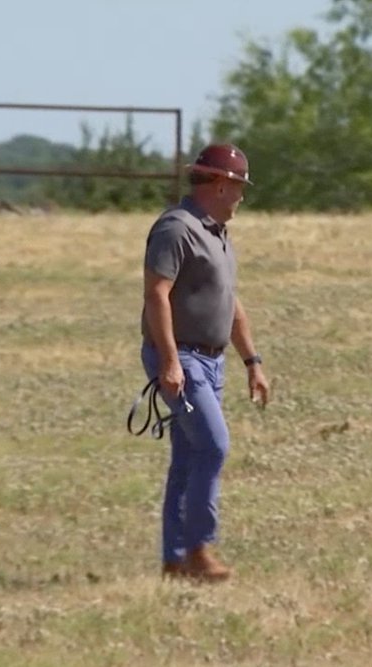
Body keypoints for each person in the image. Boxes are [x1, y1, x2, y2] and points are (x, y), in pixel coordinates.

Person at [140, 143, 270, 582]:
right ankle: (199, 549)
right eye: (238, 188)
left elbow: (230, 304)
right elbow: (156, 294)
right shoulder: (176, 230)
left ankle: (174, 560)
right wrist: (170, 362)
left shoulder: (216, 234)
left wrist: (252, 360)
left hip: (212, 363)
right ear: (219, 184)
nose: (241, 197)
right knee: (214, 445)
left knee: (188, 456)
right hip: (183, 361)